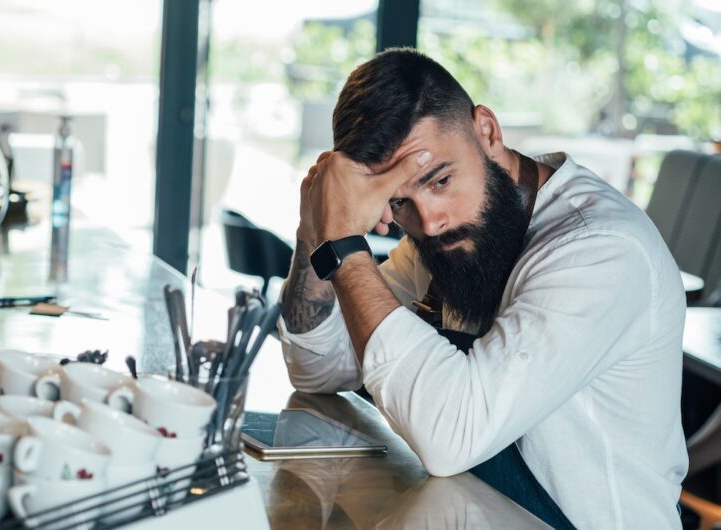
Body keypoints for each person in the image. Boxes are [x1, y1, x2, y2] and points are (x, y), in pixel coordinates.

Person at [278, 48, 688, 529]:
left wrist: (345, 247)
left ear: (487, 132)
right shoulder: (448, 240)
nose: (430, 221)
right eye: (399, 203)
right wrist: (315, 228)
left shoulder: (600, 249)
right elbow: (320, 370)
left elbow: (450, 436)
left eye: (441, 179)